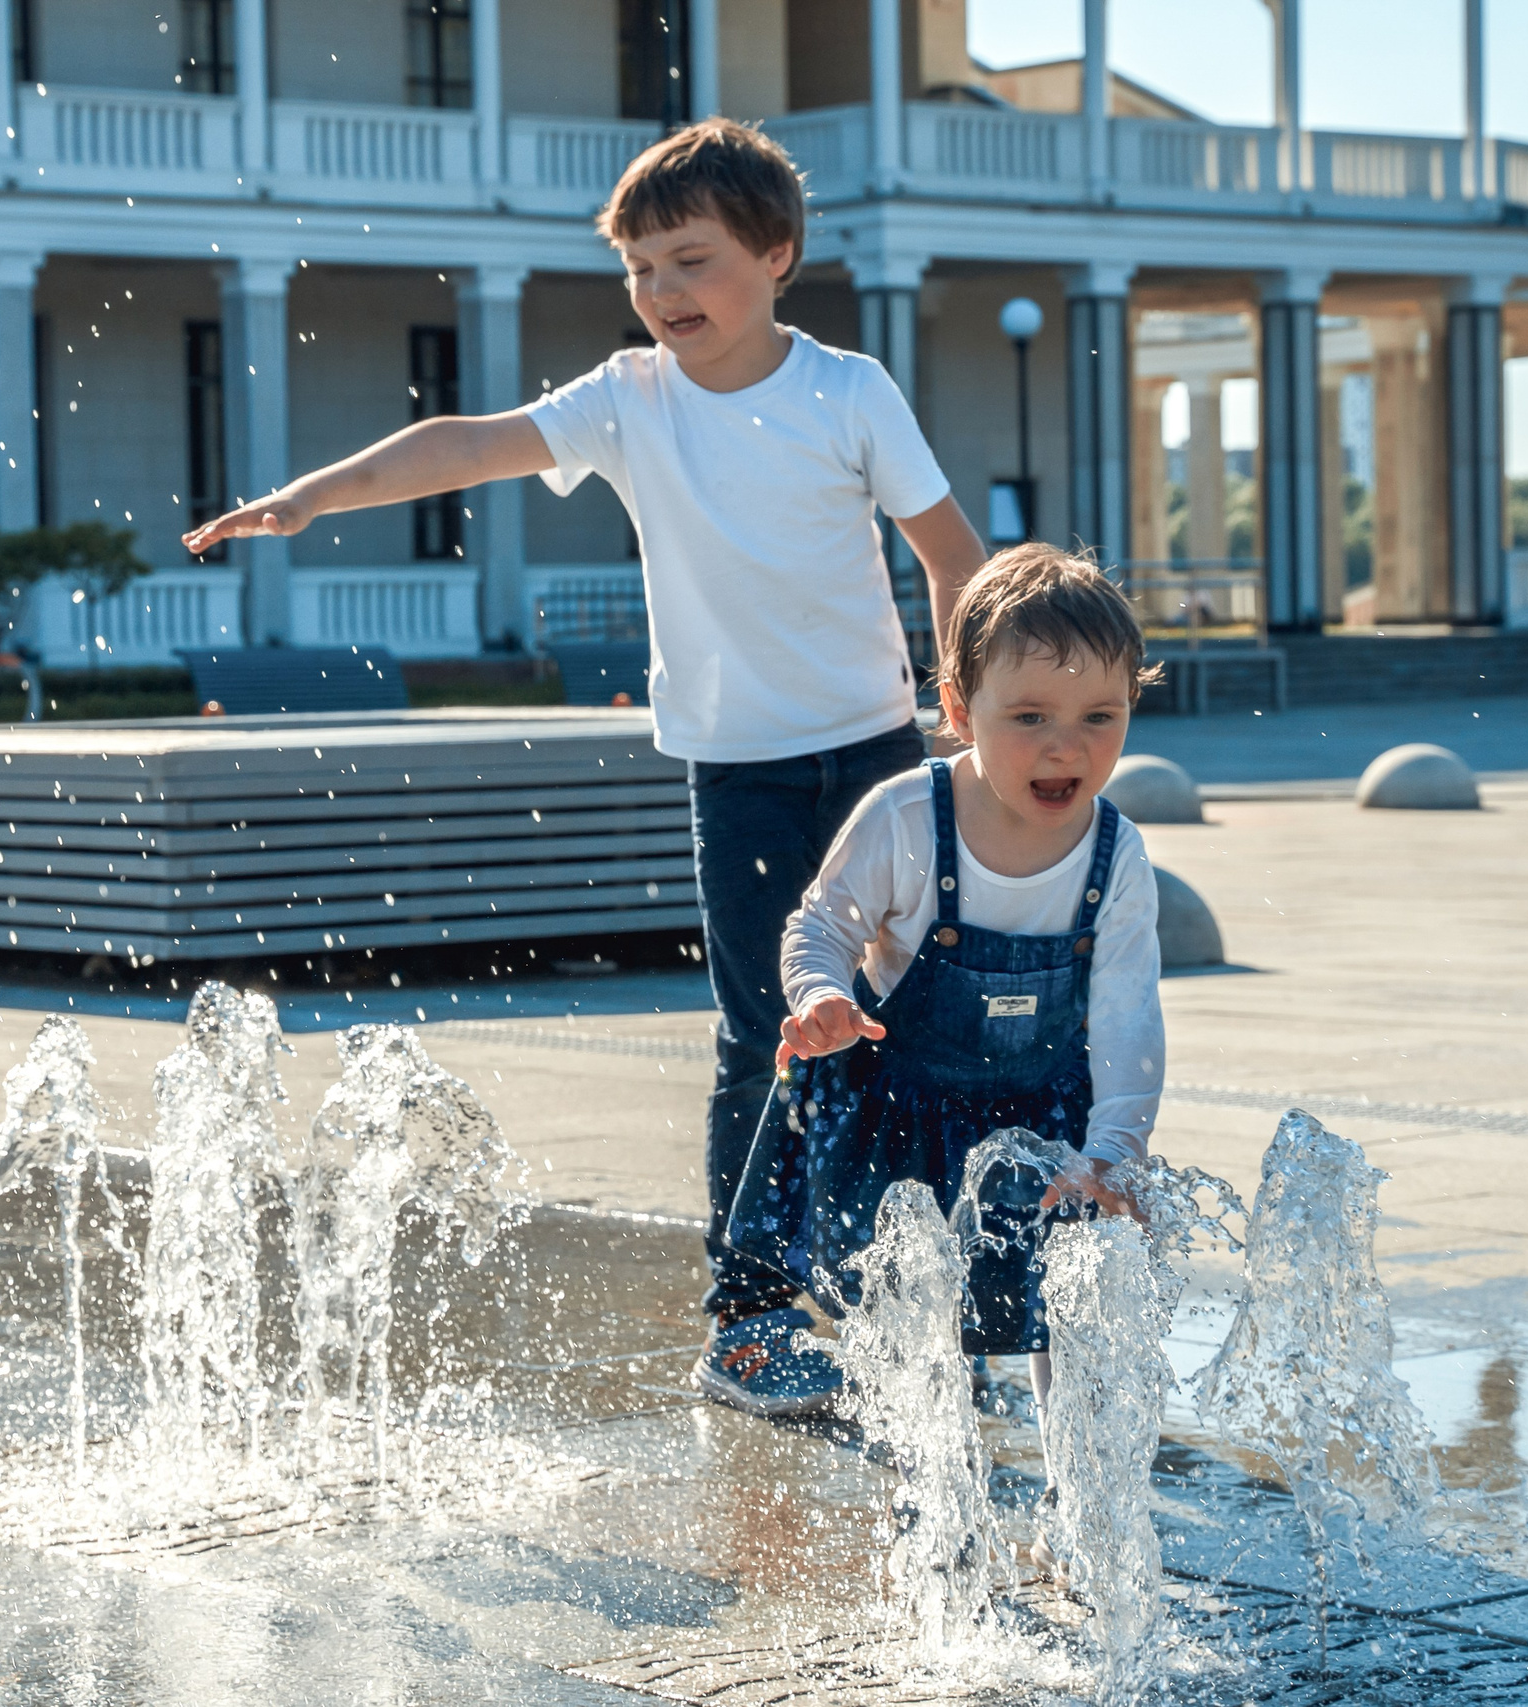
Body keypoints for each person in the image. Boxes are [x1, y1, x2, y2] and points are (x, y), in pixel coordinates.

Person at [182, 118, 988, 1417]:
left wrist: (974, 703)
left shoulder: (849, 393)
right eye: (641, 270)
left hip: (882, 759)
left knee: (913, 1022)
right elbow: (462, 442)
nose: (665, 293)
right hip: (741, 771)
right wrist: (313, 498)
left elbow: (954, 554)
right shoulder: (629, 399)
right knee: (767, 1032)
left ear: (775, 255)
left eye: (692, 260)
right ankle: (749, 1311)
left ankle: (905, 1281)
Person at [724, 546, 1165, 1414]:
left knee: (1067, 1300)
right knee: (912, 1325)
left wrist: (1115, 1152)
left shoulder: (1117, 857)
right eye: (1031, 716)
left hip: (1044, 1119)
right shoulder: (904, 819)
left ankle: (1073, 1482)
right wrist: (819, 996)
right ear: (960, 711)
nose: (1066, 746)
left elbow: (1126, 1022)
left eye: (1099, 716)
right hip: (904, 1113)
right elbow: (820, 925)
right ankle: (922, 1480)